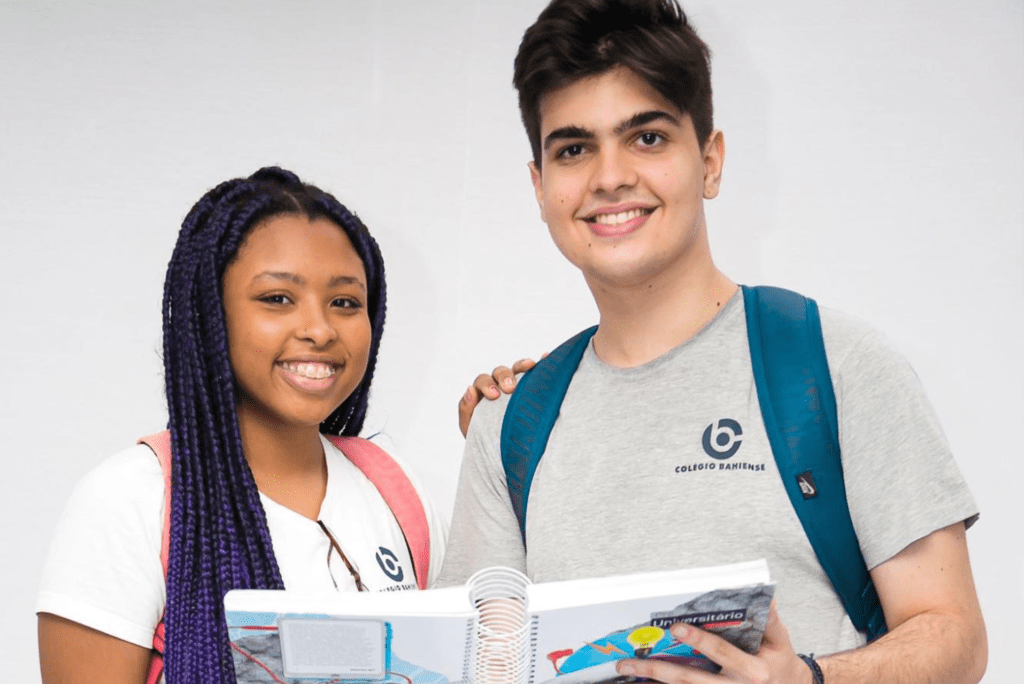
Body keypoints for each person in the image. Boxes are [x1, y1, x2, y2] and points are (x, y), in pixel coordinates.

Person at [439, 1, 987, 683]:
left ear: (710, 162)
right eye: (574, 148)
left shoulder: (837, 368)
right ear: (540, 186)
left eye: (647, 137)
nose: (609, 176)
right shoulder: (508, 426)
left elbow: (954, 637)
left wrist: (807, 680)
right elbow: (473, 665)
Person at [36, 168, 447, 684]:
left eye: (344, 302)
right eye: (278, 299)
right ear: (210, 313)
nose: (319, 329)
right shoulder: (129, 501)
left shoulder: (397, 491)